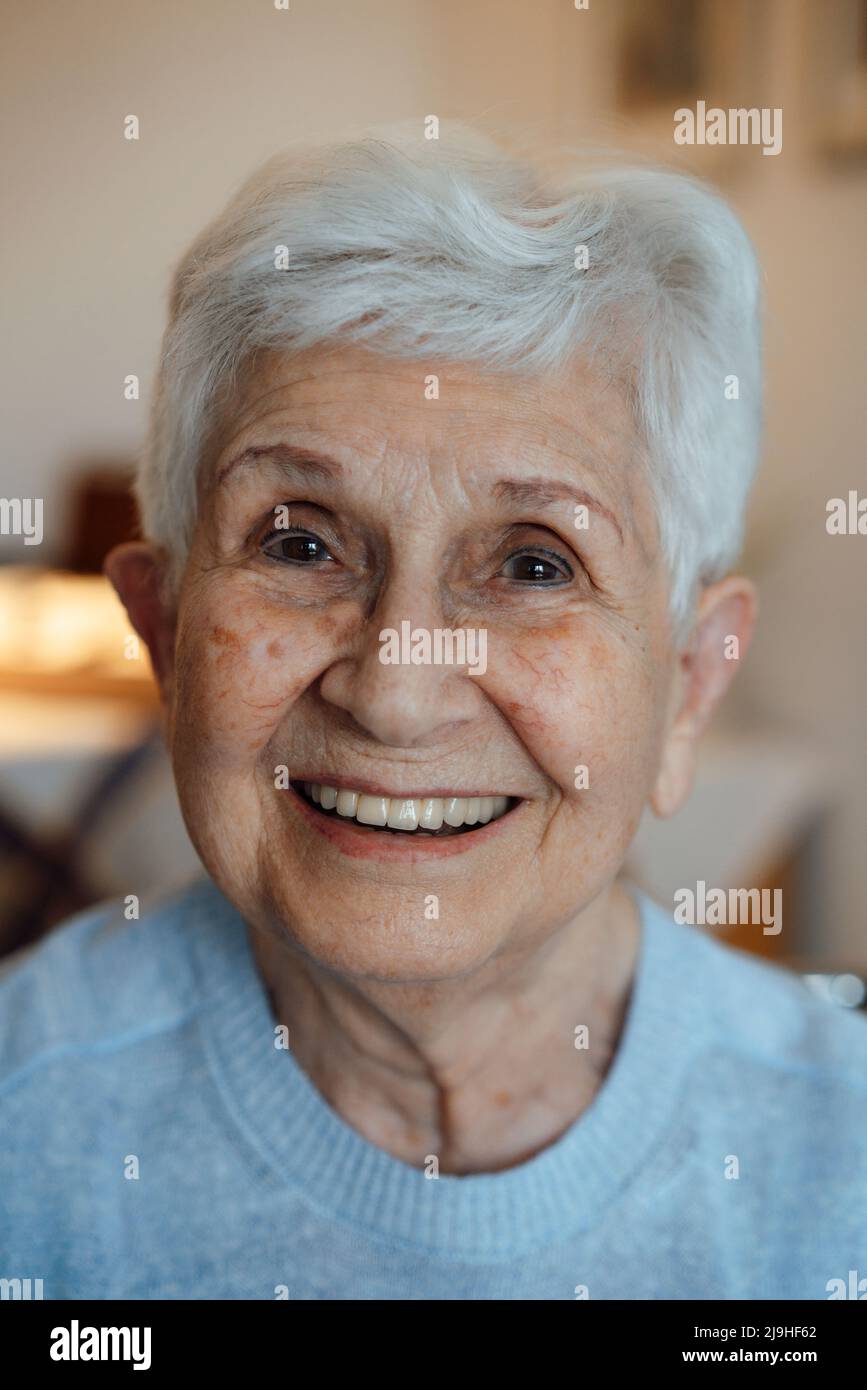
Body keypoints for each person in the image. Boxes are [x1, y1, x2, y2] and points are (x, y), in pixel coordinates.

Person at [2, 128, 865, 1300]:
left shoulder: (839, 1160)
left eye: (535, 565)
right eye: (299, 540)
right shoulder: (27, 1120)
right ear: (163, 638)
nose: (396, 694)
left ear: (692, 681)